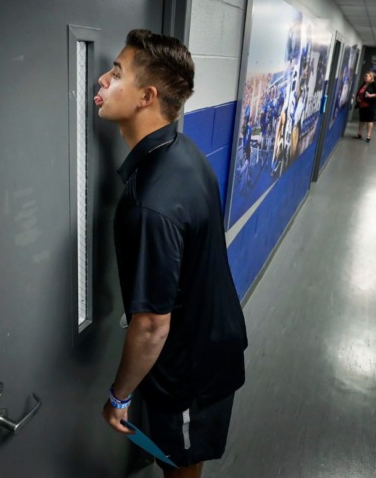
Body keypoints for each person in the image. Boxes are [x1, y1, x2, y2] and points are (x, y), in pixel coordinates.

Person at [96, 29, 248, 478]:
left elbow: (150, 326)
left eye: (115, 72)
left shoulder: (151, 203)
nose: (102, 80)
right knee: (179, 458)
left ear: (146, 96)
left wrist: (119, 397)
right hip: (207, 347)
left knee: (180, 468)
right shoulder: (184, 153)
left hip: (190, 373)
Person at [354, 71, 376, 142]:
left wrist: (370, 95)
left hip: (370, 105)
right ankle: (359, 133)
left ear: (371, 77)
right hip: (362, 104)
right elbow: (359, 92)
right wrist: (357, 97)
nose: (365, 77)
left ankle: (368, 135)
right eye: (365, 76)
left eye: (367, 76)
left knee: (369, 120)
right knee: (362, 120)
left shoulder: (373, 84)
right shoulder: (364, 84)